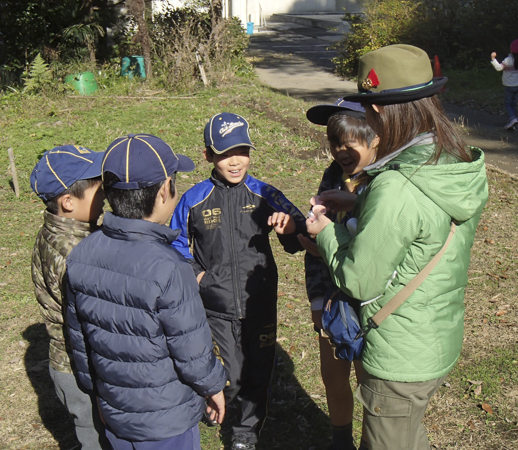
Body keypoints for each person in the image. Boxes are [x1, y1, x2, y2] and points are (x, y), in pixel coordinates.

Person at [305, 44, 489, 450]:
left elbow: (358, 280)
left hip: (398, 356)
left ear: (384, 112)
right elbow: (425, 222)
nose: (367, 119)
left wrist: (324, 232)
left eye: (368, 110)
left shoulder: (396, 185)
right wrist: (360, 202)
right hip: (433, 335)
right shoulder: (451, 160)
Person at [65, 133, 227, 450]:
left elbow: (80, 340)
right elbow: (191, 349)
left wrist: (95, 391)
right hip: (168, 422)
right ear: (166, 190)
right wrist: (213, 386)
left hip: (115, 412)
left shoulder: (80, 255)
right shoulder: (172, 268)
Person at [170, 112, 306, 450]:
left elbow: (300, 229)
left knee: (258, 369)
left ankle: (244, 432)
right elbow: (171, 242)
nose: (235, 162)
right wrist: (197, 275)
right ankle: (217, 403)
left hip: (259, 302)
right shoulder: (194, 199)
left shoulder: (264, 193)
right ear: (208, 156)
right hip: (215, 305)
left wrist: (289, 228)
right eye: (225, 154)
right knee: (228, 370)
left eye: (242, 152)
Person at [299, 98, 378, 450]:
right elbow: (317, 249)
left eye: (349, 143)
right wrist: (317, 297)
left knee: (371, 382)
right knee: (332, 376)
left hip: (372, 303)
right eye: (334, 143)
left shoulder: (384, 184)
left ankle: (374, 441)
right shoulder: (334, 175)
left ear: (374, 137)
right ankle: (340, 441)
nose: (340, 151)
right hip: (333, 300)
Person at [30, 145, 109, 450]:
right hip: (79, 369)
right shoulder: (73, 255)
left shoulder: (66, 233)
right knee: (96, 438)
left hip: (74, 364)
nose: (105, 196)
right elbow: (90, 319)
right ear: (67, 202)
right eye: (97, 190)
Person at [490, 39, 518, 130]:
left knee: (508, 104)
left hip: (508, 86)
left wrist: (493, 59)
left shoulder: (508, 60)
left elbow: (499, 68)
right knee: (514, 104)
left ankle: (513, 119)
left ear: (511, 50)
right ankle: (513, 122)